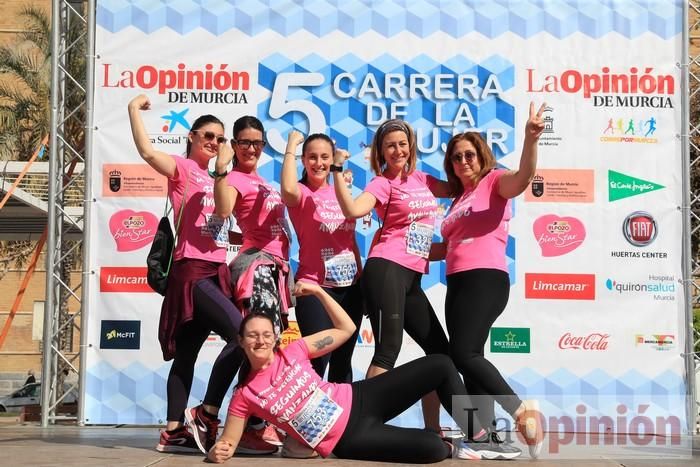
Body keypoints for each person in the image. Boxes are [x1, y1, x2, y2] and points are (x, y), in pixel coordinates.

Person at [207, 282, 522, 464]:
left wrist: (318, 292)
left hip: (361, 398)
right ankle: (450, 444)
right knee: (433, 450)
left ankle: (478, 435)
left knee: (440, 363)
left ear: (276, 336)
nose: (260, 340)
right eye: (252, 335)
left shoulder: (293, 351)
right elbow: (228, 443)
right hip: (348, 439)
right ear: (241, 341)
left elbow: (346, 328)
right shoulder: (244, 395)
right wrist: (219, 452)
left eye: (266, 334)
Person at [128, 95, 263, 455]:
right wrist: (131, 111)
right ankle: (206, 413)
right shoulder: (183, 169)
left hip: (216, 271)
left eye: (220, 138)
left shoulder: (225, 177)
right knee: (243, 335)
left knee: (187, 353)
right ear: (192, 136)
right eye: (208, 135)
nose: (215, 142)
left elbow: (223, 225)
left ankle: (173, 431)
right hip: (191, 272)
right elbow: (145, 151)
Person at [437, 102, 547, 458]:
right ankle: (483, 437)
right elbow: (449, 245)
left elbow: (524, 178)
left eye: (469, 154)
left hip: (485, 278)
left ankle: (519, 410)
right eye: (456, 157)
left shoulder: (494, 181)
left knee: (464, 353)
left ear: (481, 155)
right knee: (470, 355)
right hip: (457, 282)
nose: (463, 161)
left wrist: (531, 139)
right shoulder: (458, 198)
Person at [331, 119, 450, 432]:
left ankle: (435, 429)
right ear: (381, 152)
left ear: (410, 145)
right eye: (390, 145)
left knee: (441, 352)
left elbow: (459, 187)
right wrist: (336, 172)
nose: (397, 150)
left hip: (413, 277)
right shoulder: (381, 184)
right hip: (386, 268)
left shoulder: (423, 178)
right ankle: (361, 426)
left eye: (402, 143)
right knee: (387, 350)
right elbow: (354, 211)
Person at [212, 115, 293, 449]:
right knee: (261, 349)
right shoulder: (232, 178)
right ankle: (250, 423)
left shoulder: (263, 180)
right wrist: (220, 170)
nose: (251, 148)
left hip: (276, 270)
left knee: (264, 349)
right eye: (244, 142)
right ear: (234, 145)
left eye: (257, 143)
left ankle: (251, 423)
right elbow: (222, 209)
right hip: (257, 268)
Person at [280, 130, 363, 384]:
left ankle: (344, 423)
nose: (319, 163)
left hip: (350, 289)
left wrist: (362, 281)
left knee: (343, 361)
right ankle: (299, 421)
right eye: (312, 157)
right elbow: (287, 188)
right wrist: (291, 146)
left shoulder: (342, 191)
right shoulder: (301, 193)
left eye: (324, 157)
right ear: (303, 160)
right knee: (318, 359)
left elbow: (350, 241)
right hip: (314, 287)